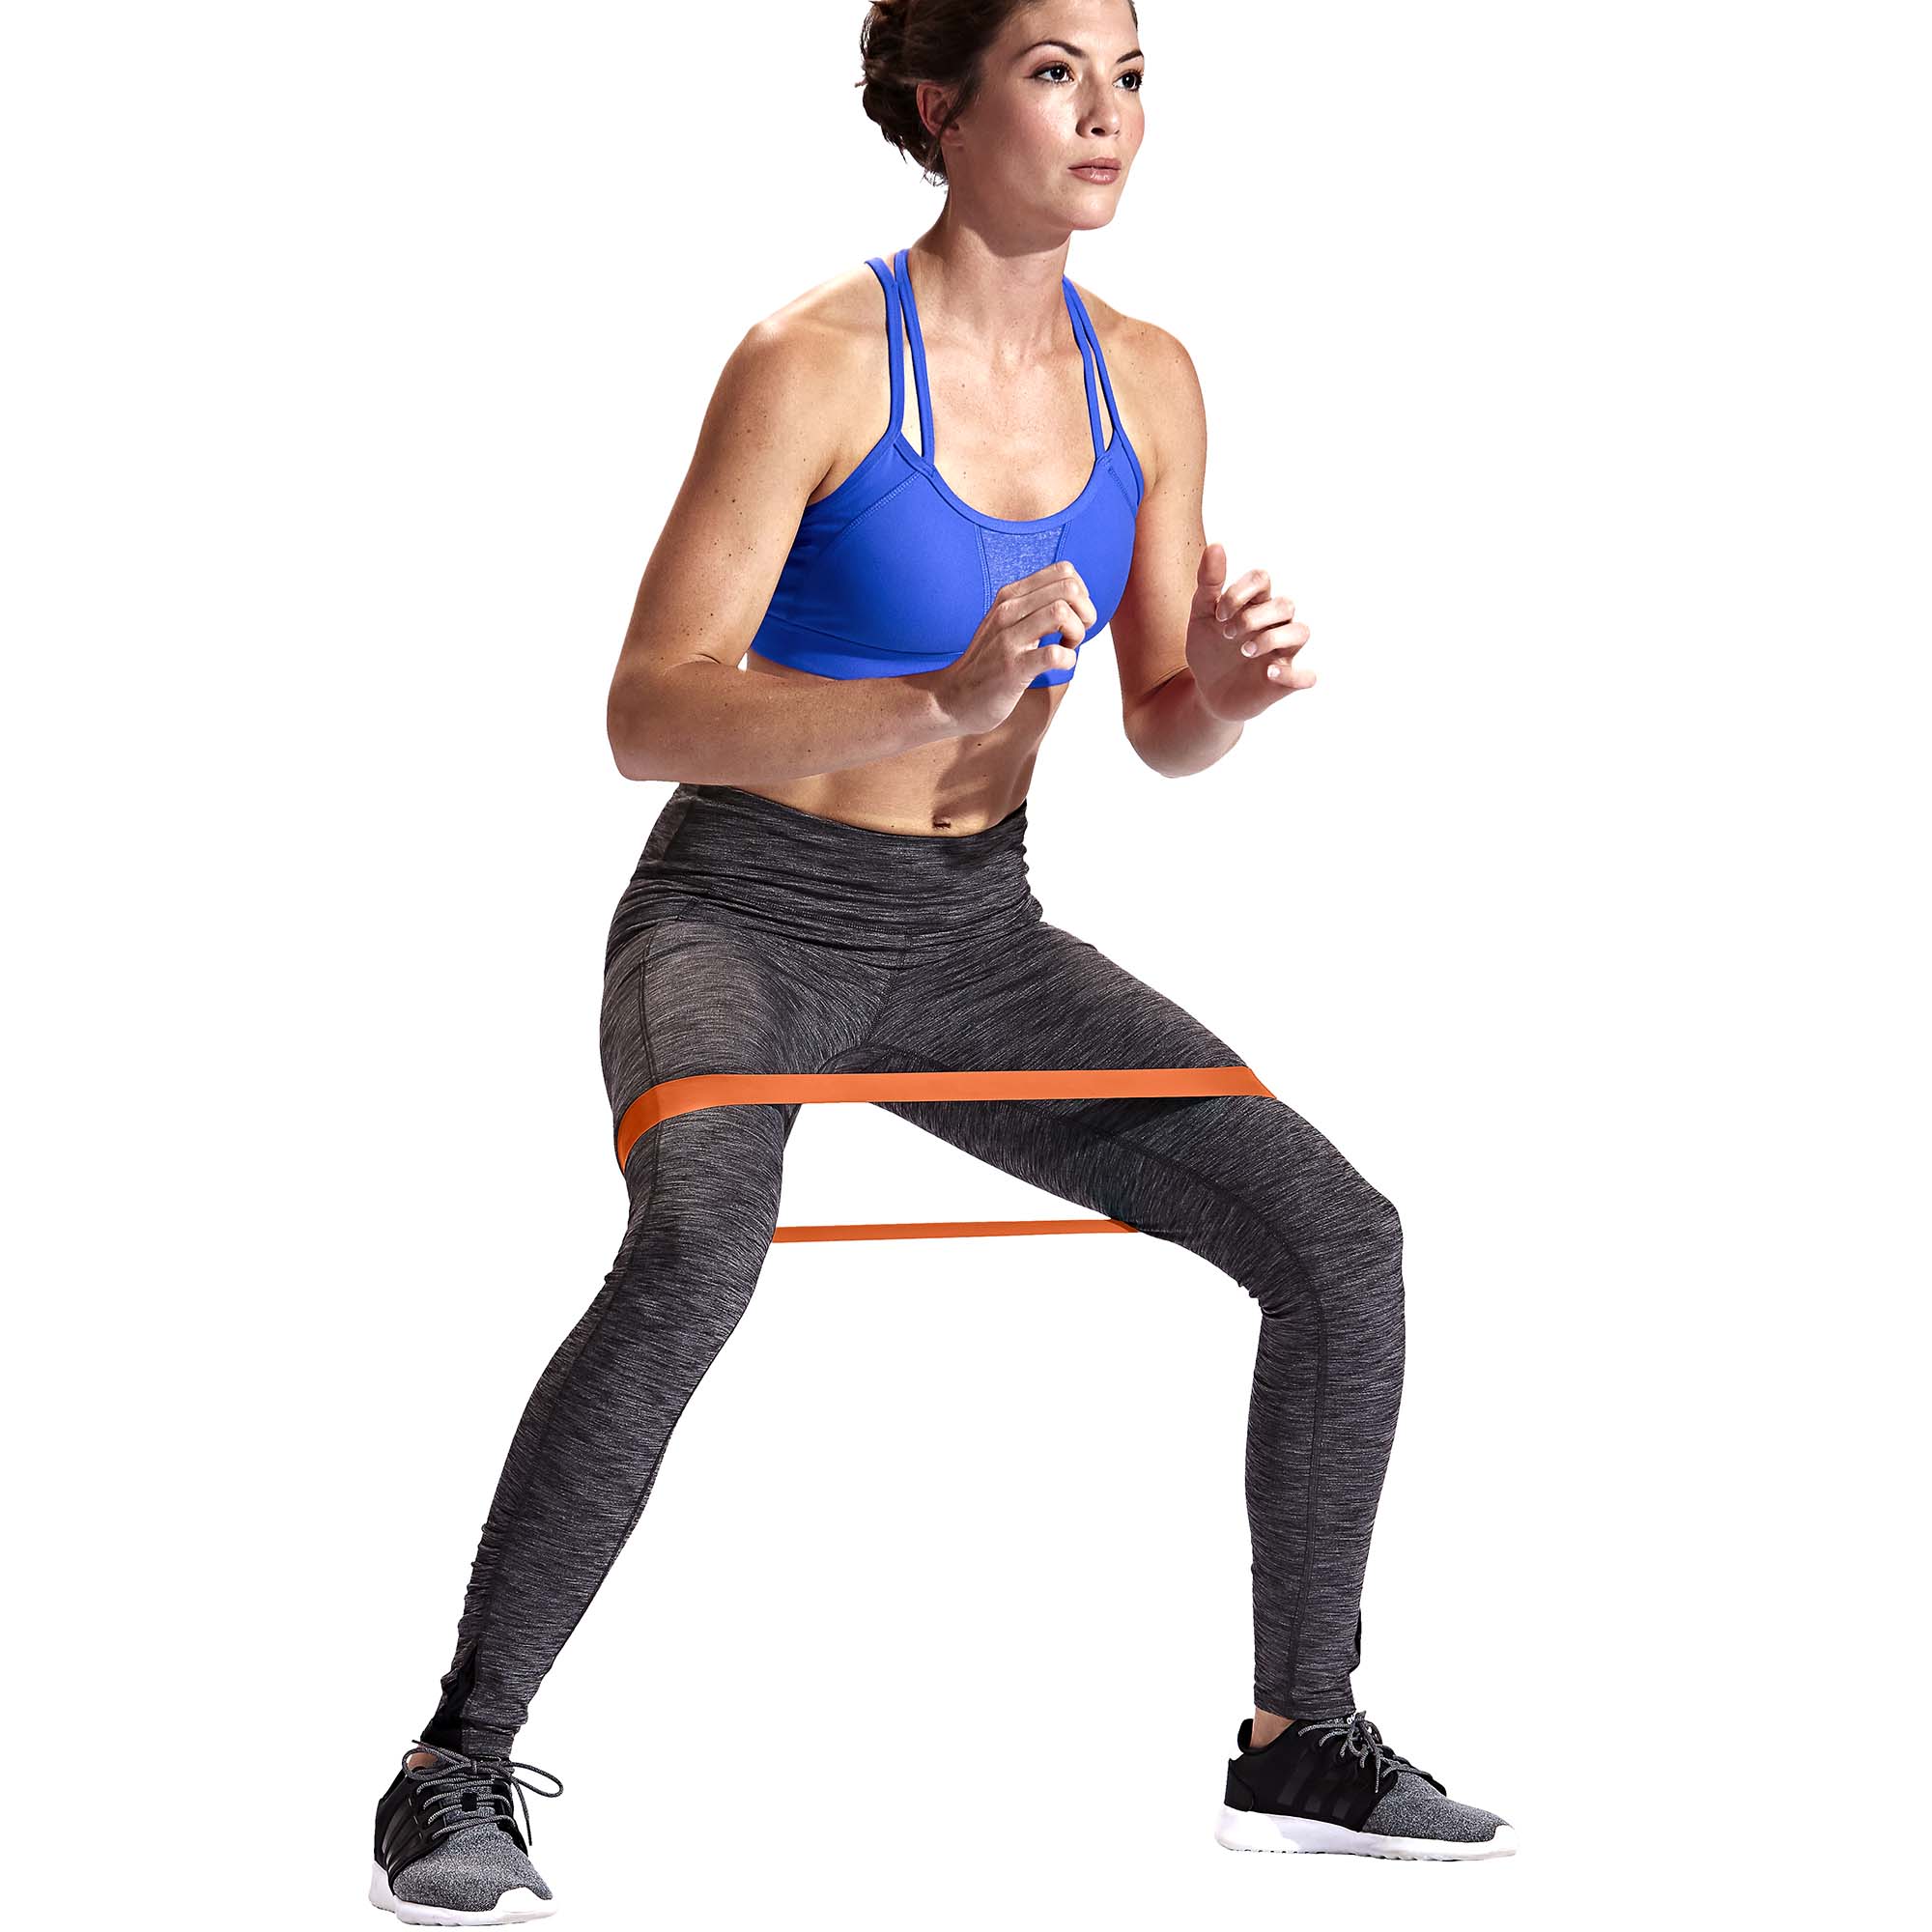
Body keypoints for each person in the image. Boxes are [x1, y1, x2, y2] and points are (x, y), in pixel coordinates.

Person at [368, 2, 1514, 1918]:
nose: (1108, 114)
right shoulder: (811, 362)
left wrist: (1222, 695)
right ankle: (452, 1765)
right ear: (940, 104)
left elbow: (1159, 717)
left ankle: (1299, 1736)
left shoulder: (1150, 378)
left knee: (1339, 1239)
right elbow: (646, 714)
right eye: (1057, 72)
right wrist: (933, 694)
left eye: (1131, 75)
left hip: (975, 936)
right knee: (696, 1251)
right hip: (742, 915)